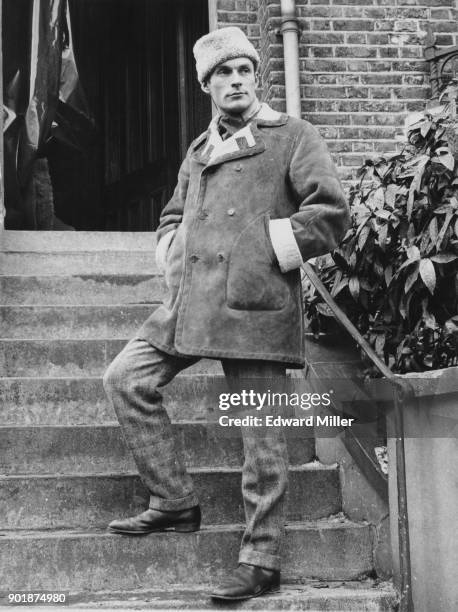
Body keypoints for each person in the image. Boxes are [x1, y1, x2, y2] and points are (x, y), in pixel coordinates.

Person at [103, 26, 349, 601]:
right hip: (190, 301)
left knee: (261, 438)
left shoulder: (292, 135)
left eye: (244, 71)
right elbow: (170, 214)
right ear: (207, 85)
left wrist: (263, 252)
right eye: (223, 74)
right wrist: (170, 250)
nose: (235, 81)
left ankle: (261, 559)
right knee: (125, 380)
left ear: (255, 78)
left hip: (254, 303)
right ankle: (173, 499)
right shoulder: (197, 151)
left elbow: (331, 212)